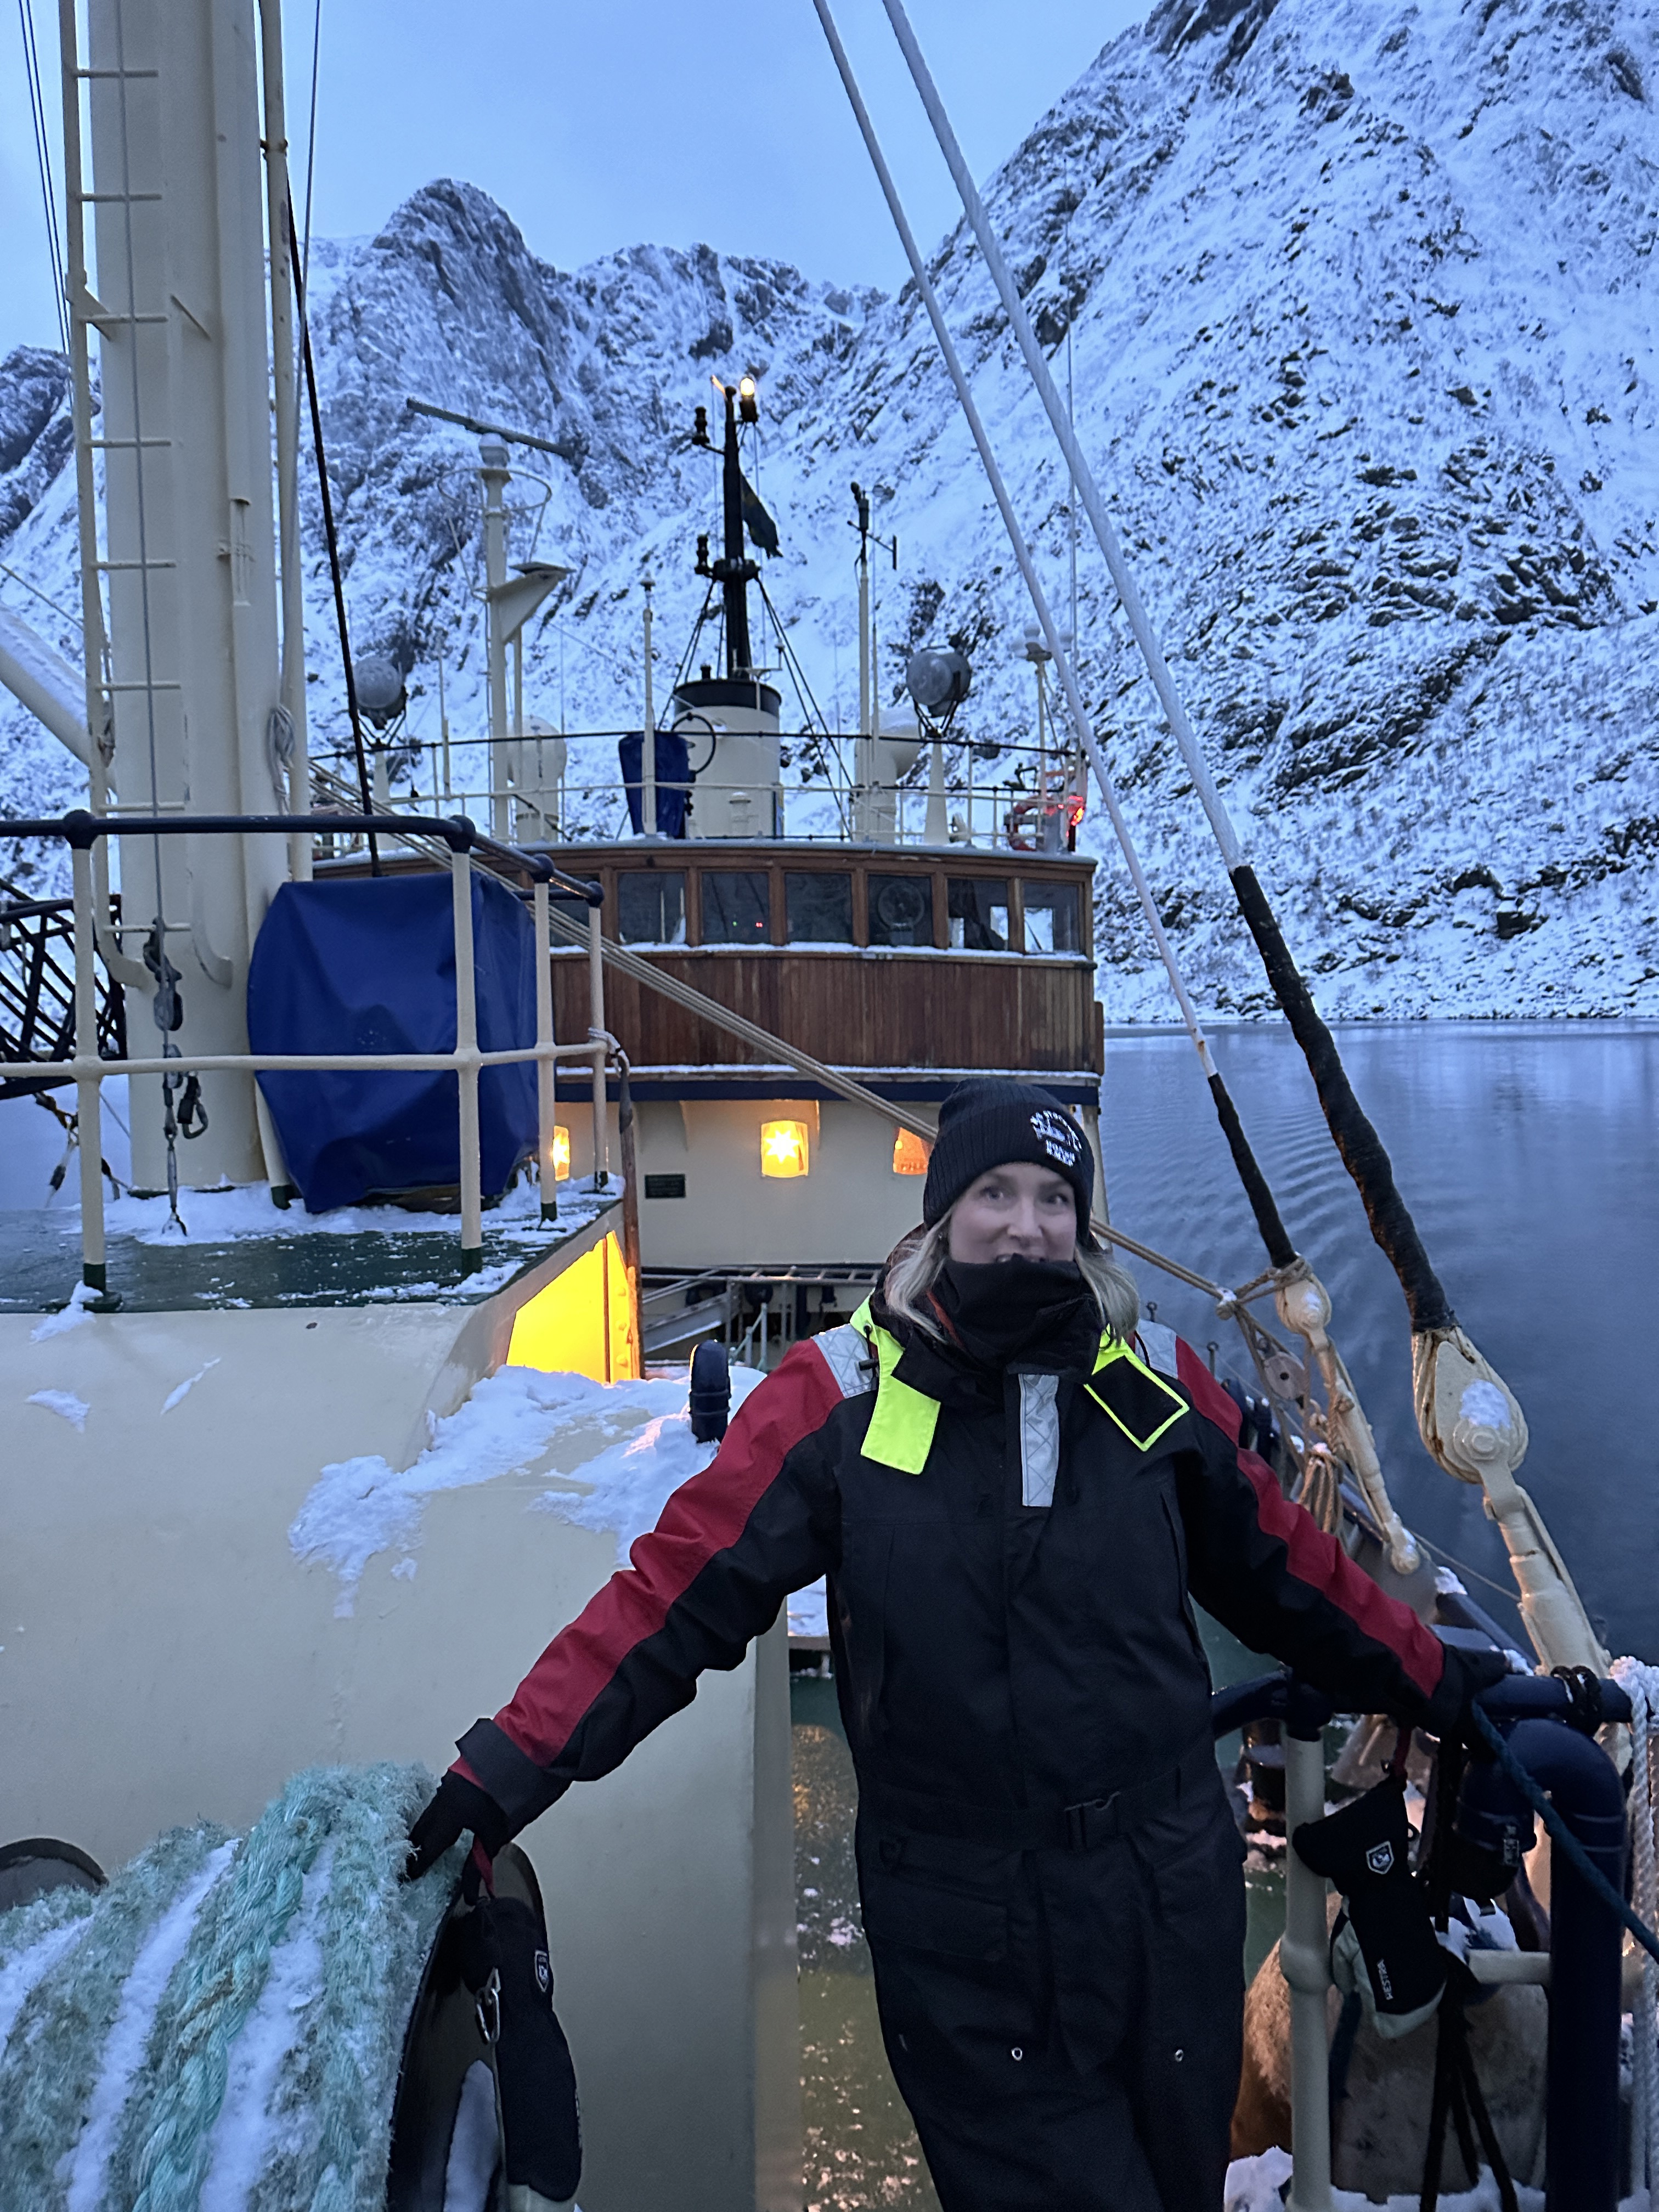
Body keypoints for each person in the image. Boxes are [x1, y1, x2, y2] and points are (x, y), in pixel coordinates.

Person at [408, 1079, 1500, 2211]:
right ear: (941, 1216)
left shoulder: (1156, 1381)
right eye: (994, 1193)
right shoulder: (839, 1396)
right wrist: (510, 1765)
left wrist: (1449, 1687)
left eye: (1053, 1198)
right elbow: (674, 1597)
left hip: (1168, 1894)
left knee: (1179, 2186)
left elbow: (1298, 1578)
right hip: (965, 1917)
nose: (1027, 1225)